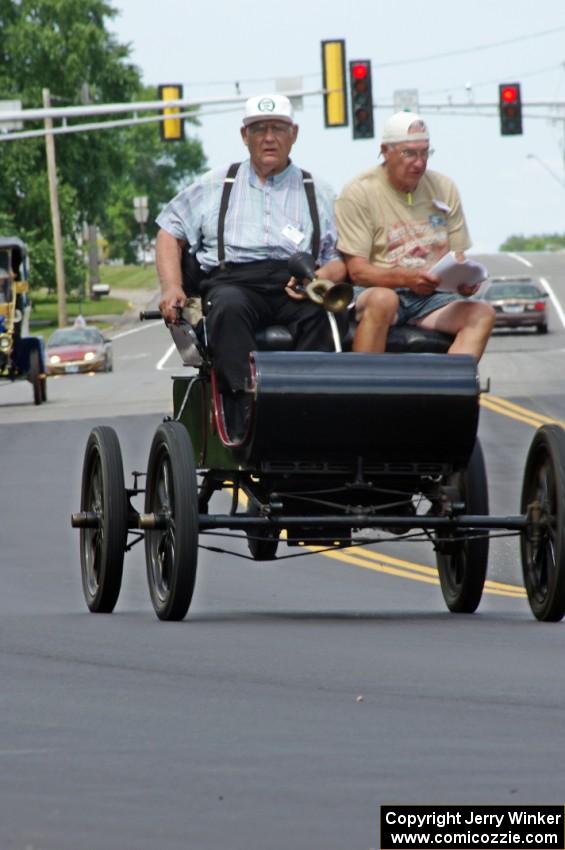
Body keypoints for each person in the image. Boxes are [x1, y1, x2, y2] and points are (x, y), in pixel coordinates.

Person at [156, 93, 346, 438]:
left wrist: (320, 278)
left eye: (277, 128)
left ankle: (312, 416)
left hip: (298, 284)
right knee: (228, 309)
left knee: (325, 314)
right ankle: (245, 413)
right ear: (245, 136)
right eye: (259, 129)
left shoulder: (318, 191)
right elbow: (170, 230)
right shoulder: (216, 183)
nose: (269, 137)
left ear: (294, 133)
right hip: (235, 282)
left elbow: (337, 260)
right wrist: (172, 287)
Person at [335, 111, 495, 358]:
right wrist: (406, 279)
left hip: (433, 296)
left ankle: (448, 392)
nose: (419, 163)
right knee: (383, 301)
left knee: (483, 313)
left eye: (425, 152)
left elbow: (458, 256)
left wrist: (464, 282)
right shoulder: (358, 192)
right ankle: (367, 390)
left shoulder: (444, 187)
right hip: (378, 290)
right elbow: (358, 271)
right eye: (409, 153)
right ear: (386, 151)